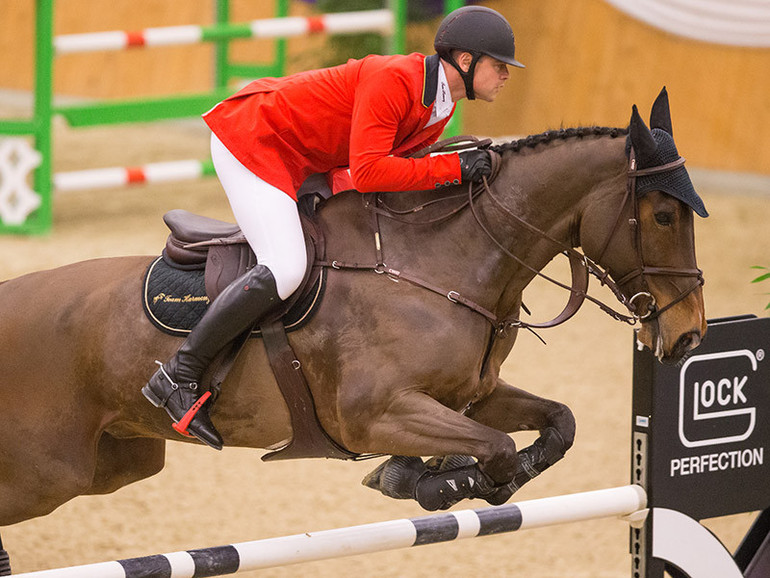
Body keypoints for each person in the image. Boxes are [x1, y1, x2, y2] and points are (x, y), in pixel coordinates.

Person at [142, 5, 525, 450]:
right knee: (286, 267)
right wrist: (451, 169)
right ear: (465, 61)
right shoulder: (397, 79)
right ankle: (178, 374)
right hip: (253, 139)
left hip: (308, 163)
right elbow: (369, 172)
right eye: (499, 66)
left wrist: (452, 170)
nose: (505, 75)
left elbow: (387, 174)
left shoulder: (439, 107)